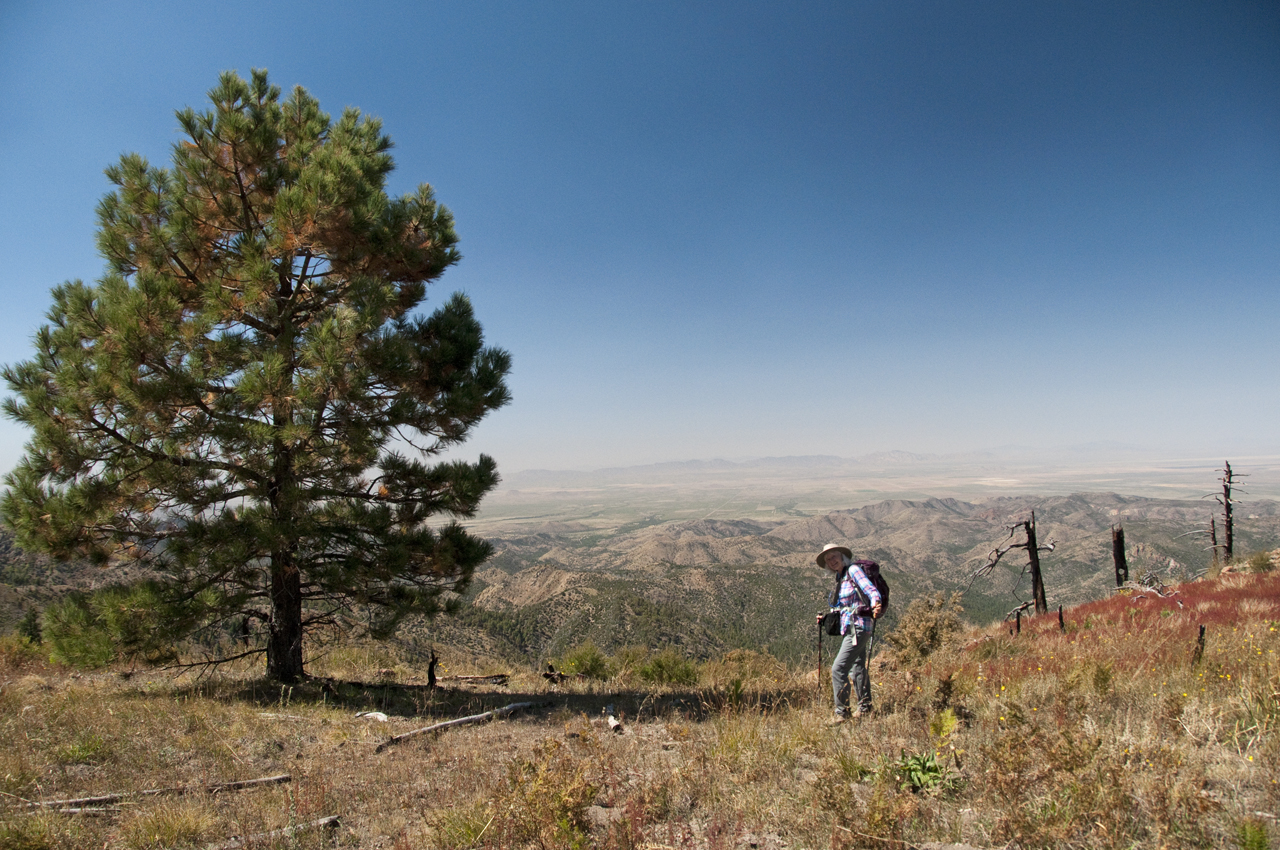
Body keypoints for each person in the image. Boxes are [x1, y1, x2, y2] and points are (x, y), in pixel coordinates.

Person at [816, 542, 882, 723]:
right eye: (828, 560)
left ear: (842, 557)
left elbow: (870, 590)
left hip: (858, 626)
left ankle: (842, 712)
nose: (831, 561)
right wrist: (826, 620)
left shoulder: (853, 571)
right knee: (857, 667)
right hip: (851, 627)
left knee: (838, 668)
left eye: (834, 557)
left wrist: (876, 603)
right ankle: (866, 708)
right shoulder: (841, 577)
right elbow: (843, 607)